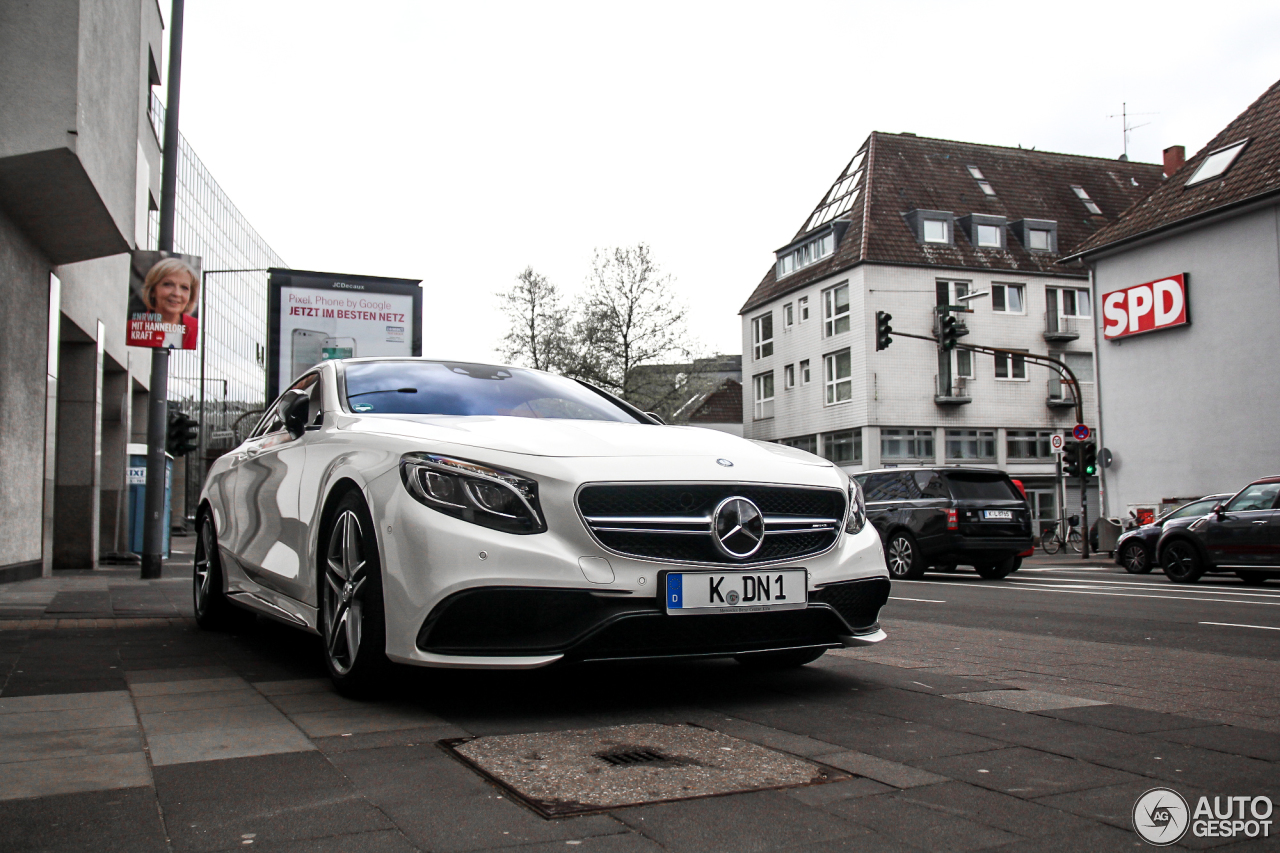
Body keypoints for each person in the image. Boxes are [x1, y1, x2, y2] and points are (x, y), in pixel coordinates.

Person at [142, 257, 199, 349]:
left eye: (184, 287)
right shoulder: (132, 329)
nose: (176, 293)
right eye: (168, 284)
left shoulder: (198, 329)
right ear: (152, 291)